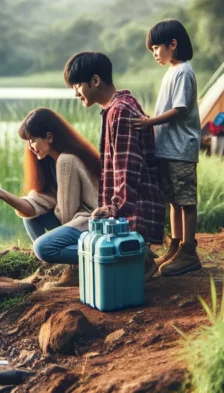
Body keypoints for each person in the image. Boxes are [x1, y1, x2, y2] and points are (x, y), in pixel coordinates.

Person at [63, 51, 165, 279]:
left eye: (77, 85)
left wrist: (112, 210)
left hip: (132, 216)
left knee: (47, 248)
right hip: (128, 213)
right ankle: (135, 257)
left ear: (95, 81)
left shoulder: (119, 111)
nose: (76, 94)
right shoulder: (119, 105)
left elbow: (127, 170)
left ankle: (140, 257)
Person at [0, 107, 100, 287]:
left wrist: (51, 208)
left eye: (33, 140)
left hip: (90, 224)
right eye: (28, 142)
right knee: (30, 218)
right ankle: (65, 266)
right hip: (76, 224)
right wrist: (1, 194)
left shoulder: (66, 161)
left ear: (49, 137)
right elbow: (34, 206)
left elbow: (66, 216)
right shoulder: (52, 164)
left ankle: (86, 262)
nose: (31, 147)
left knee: (41, 247)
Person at [131, 19, 202, 276]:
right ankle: (175, 248)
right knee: (172, 200)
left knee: (186, 201)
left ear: (173, 44)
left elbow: (180, 109)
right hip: (167, 148)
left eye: (156, 48)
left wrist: (150, 121)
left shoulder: (183, 71)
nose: (154, 54)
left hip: (180, 149)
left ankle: (189, 251)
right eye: (151, 51)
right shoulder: (172, 71)